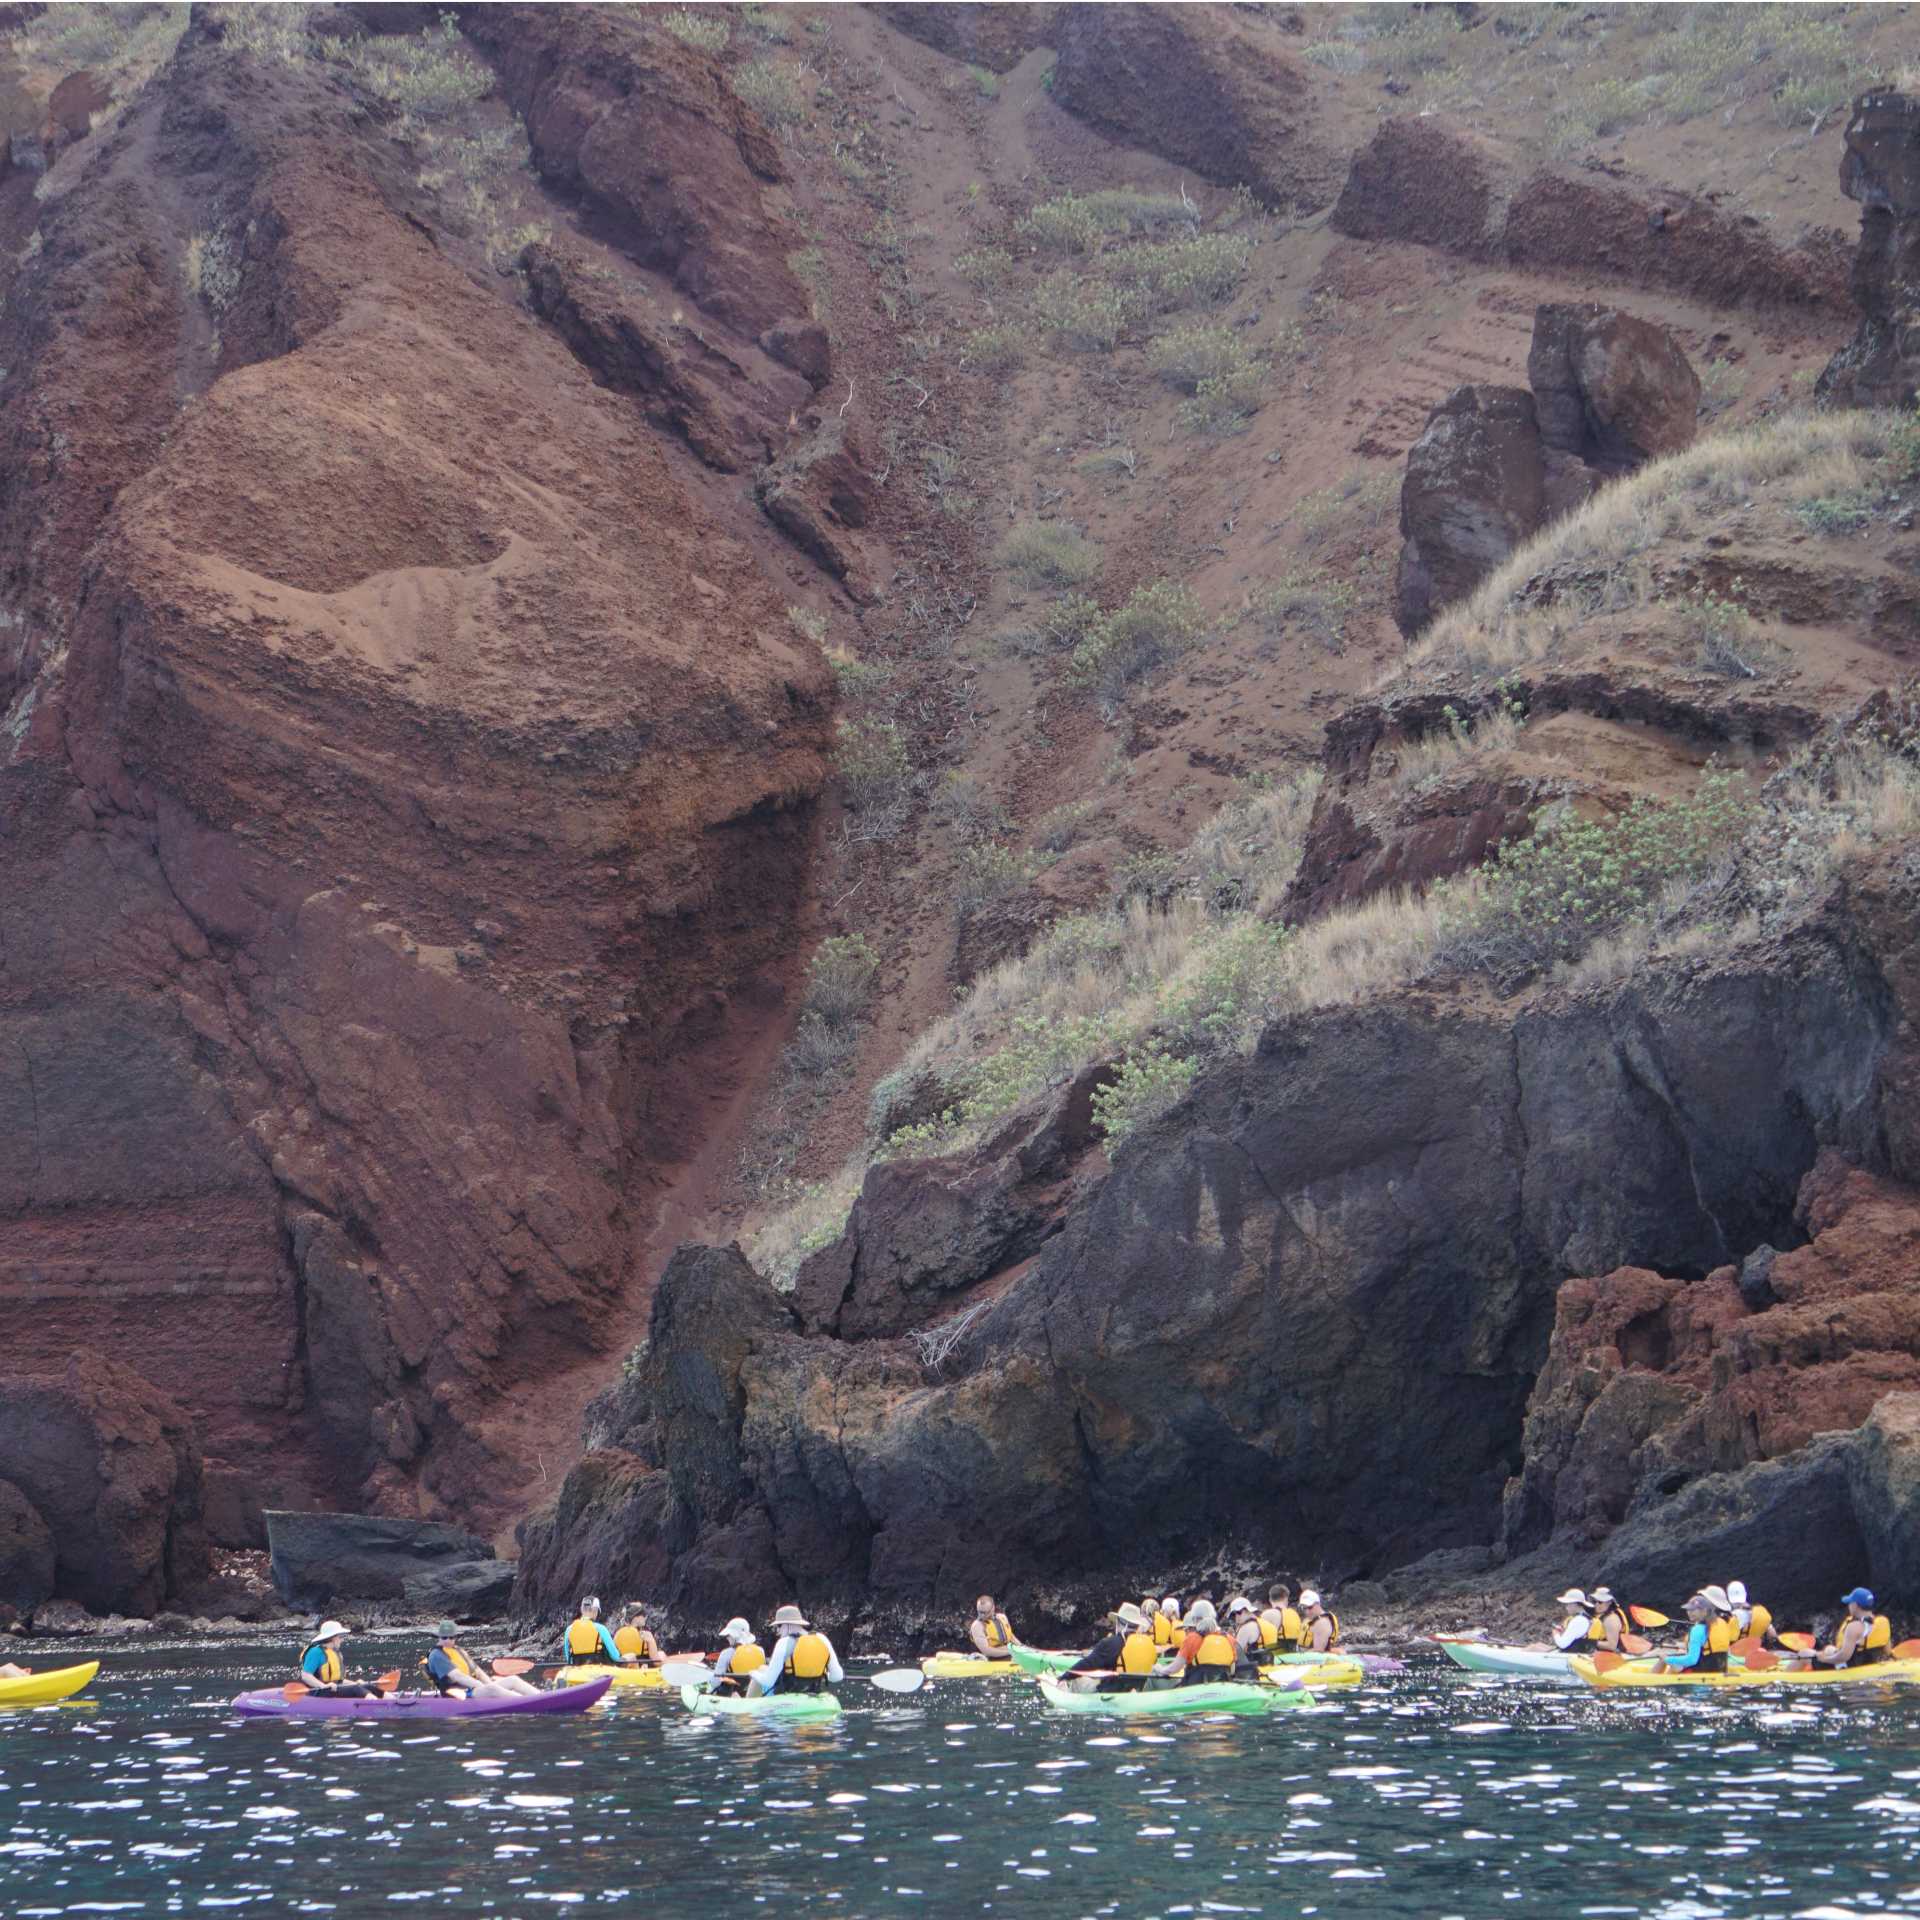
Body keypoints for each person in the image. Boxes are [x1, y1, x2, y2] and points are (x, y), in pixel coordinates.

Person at [423, 1622, 541, 1699]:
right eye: (444, 1637)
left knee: (512, 1680)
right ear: (438, 1637)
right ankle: (526, 1702)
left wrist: (490, 1684)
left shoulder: (458, 1650)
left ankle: (540, 1697)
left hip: (472, 1689)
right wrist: (484, 1687)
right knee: (492, 1689)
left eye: (451, 1637)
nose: (448, 1640)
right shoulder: (436, 1655)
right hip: (457, 1693)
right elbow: (457, 1676)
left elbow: (478, 1671)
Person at [1066, 1603, 1160, 1693]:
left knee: (1076, 1680)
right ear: (1137, 1625)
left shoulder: (1110, 1643)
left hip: (1111, 1693)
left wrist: (1064, 1677)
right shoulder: (1148, 1643)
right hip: (1139, 1690)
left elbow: (1086, 1664)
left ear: (1119, 1622)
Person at [753, 1604, 844, 1695]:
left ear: (788, 1625)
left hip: (786, 1695)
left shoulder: (784, 1643)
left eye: (779, 1626)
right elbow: (837, 1676)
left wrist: (751, 1672)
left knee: (761, 1669)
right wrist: (823, 1675)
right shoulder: (822, 1638)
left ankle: (748, 1702)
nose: (778, 1631)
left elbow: (768, 1681)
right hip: (814, 1693)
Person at [297, 1619, 381, 1697]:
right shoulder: (315, 1652)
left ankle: (387, 1700)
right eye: (340, 1637)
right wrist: (323, 1686)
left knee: (367, 1686)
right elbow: (306, 1676)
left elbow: (339, 1681)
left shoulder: (334, 1652)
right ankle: (375, 1704)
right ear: (332, 1638)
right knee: (356, 1689)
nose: (342, 1640)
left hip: (332, 1688)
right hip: (317, 1691)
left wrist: (355, 1683)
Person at [1816, 1588, 1893, 1668]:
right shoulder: (1883, 1621)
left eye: (1850, 1603)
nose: (1849, 1606)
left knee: (1816, 1654)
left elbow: (1844, 1657)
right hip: (1874, 1663)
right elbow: (1888, 1651)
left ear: (1855, 1605)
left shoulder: (1854, 1627)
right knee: (1829, 1649)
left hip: (1855, 1667)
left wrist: (1825, 1659)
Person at [1172, 1600, 1240, 1685]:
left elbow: (1175, 1668)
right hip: (1224, 1685)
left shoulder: (1192, 1638)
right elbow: (1234, 1668)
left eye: (1188, 1629)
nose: (1187, 1632)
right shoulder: (1229, 1638)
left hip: (1197, 1686)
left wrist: (1160, 1670)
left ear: (1196, 1620)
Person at [561, 1596, 622, 1667]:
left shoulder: (569, 1630)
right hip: (599, 1670)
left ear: (582, 1610)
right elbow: (615, 1656)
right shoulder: (601, 1628)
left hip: (578, 1670)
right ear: (595, 1610)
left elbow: (568, 1658)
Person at [711, 1617, 767, 1694]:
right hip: (753, 1694)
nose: (727, 1638)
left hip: (730, 1695)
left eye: (728, 1635)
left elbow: (715, 1683)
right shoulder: (760, 1650)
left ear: (735, 1636)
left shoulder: (726, 1653)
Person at [1726, 1580, 1775, 1648]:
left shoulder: (1731, 1617)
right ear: (1745, 1594)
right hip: (1756, 1650)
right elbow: (1773, 1635)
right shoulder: (1760, 1612)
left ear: (1728, 1598)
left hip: (1736, 1652)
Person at [968, 1595, 1017, 1662]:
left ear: (993, 1608)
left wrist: (1022, 1647)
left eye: (985, 1612)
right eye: (980, 1612)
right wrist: (1010, 1652)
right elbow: (986, 1651)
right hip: (991, 1659)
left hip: (1010, 1653)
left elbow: (1011, 1636)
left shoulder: (1002, 1617)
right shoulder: (977, 1626)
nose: (982, 1615)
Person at [1228, 1595, 1272, 1666]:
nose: (1236, 1616)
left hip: (1254, 1667)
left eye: (1238, 1612)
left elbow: (1235, 1652)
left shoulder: (1245, 1628)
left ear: (1247, 1610)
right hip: (1270, 1663)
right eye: (1233, 1614)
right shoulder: (1263, 1622)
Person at [1263, 1584, 1303, 1652]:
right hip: (1294, 1653)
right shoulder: (1294, 1614)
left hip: (1276, 1654)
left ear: (1270, 1599)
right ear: (1286, 1598)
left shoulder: (1268, 1614)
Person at [1299, 1590, 1341, 1655]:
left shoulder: (1322, 1623)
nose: (1307, 1612)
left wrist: (1299, 1656)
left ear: (1318, 1604)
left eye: (1310, 1607)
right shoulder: (1310, 1619)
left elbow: (1318, 1651)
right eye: (1304, 1608)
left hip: (1316, 1659)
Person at [1588, 1587, 1631, 1651]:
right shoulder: (1600, 1615)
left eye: (1600, 1602)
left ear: (1609, 1602)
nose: (1596, 1604)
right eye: (1594, 1601)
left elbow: (1612, 1646)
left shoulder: (1611, 1619)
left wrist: (1589, 1642)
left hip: (1613, 1654)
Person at [1550, 1588, 1592, 1653]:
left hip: (1571, 1656)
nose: (1566, 1607)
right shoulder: (1585, 1617)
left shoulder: (1578, 1620)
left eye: (1568, 1604)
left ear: (1575, 1604)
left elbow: (1562, 1644)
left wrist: (1555, 1633)